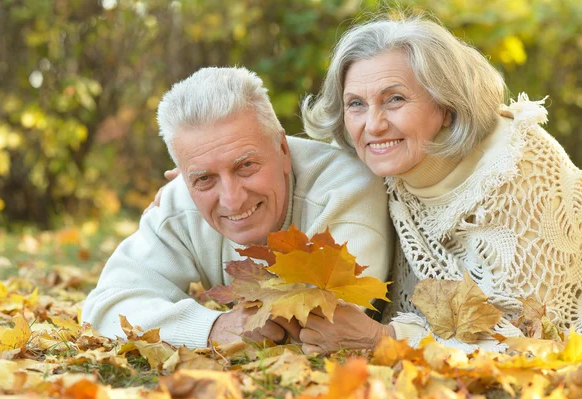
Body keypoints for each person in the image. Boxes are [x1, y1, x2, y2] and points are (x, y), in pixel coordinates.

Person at [298, 15, 582, 353]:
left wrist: (382, 340)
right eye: (356, 103)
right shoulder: (379, 160)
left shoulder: (519, 168)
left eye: (395, 99)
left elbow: (533, 344)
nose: (373, 125)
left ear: (447, 107)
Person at [82, 67, 395, 349]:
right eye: (204, 178)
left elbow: (329, 323)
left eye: (246, 165)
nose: (232, 199)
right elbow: (106, 306)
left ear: (283, 150)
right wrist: (212, 327)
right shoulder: (180, 200)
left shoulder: (346, 187)